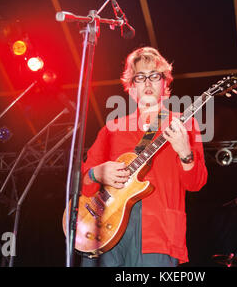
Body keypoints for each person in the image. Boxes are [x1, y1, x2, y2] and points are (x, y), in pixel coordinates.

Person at [80, 47, 208, 267]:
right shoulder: (111, 129)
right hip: (106, 230)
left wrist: (186, 153)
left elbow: (196, 183)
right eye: (140, 77)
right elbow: (84, 183)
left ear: (165, 84)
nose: (148, 83)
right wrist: (96, 172)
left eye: (154, 76)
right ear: (131, 87)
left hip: (158, 232)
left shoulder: (183, 125)